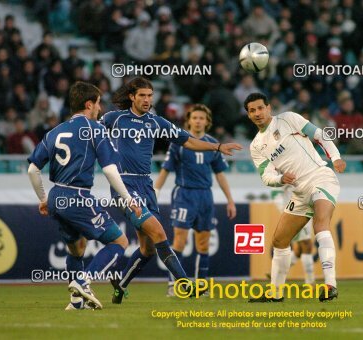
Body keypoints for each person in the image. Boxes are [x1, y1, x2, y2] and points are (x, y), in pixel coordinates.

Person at [99, 77, 241, 303]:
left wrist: (217, 146)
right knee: (160, 234)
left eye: (150, 95)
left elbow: (189, 141)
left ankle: (121, 286)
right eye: (142, 95)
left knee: (147, 249)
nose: (147, 100)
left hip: (145, 186)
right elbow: (89, 133)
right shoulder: (114, 118)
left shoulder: (156, 123)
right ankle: (185, 284)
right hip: (124, 186)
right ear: (132, 97)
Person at [27, 81, 141, 310]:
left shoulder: (53, 132)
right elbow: (109, 170)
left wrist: (43, 198)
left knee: (76, 249)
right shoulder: (95, 129)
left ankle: (76, 302)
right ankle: (83, 281)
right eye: (98, 103)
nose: (100, 109)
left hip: (56, 195)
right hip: (77, 195)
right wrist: (129, 198)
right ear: (89, 104)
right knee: (119, 241)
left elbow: (32, 169)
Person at [245, 93, 346, 302]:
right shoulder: (256, 146)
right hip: (298, 192)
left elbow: (319, 135)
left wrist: (335, 157)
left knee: (321, 224)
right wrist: (281, 179)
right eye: (252, 110)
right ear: (248, 114)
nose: (257, 113)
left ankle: (330, 285)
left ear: (269, 108)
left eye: (260, 108)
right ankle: (275, 293)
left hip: (320, 177)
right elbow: (266, 176)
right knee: (279, 240)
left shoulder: (289, 119)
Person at [154, 104, 237, 293]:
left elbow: (220, 175)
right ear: (189, 120)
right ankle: (174, 284)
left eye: (202, 118)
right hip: (185, 194)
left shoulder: (212, 143)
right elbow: (165, 170)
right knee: (180, 241)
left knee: (203, 242)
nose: (198, 121)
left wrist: (230, 200)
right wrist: (155, 193)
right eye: (195, 117)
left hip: (205, 196)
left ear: (207, 122)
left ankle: (202, 285)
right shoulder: (179, 142)